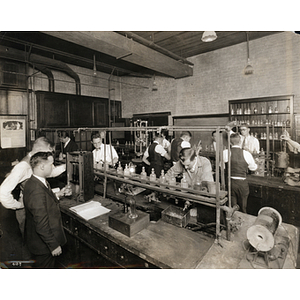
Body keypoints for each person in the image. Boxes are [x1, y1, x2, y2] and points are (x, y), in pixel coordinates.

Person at [0, 137, 66, 266]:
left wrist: (66, 165)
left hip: (33, 206)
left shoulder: (34, 162)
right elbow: (2, 192)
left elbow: (49, 172)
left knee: (36, 242)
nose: (49, 156)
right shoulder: (23, 166)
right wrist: (18, 205)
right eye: (48, 153)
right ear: (40, 152)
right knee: (34, 245)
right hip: (25, 210)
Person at [23, 151, 67, 268]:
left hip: (39, 242)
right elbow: (41, 223)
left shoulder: (35, 181)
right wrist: (53, 245)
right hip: (43, 246)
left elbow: (44, 201)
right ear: (42, 166)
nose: (53, 167)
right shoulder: (36, 189)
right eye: (51, 164)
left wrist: (58, 195)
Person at [223, 133, 257, 213]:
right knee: (243, 207)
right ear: (240, 141)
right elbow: (253, 168)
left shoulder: (225, 152)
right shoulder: (246, 153)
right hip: (242, 183)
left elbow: (222, 167)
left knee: (232, 207)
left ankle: (232, 223)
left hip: (230, 183)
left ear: (230, 142)